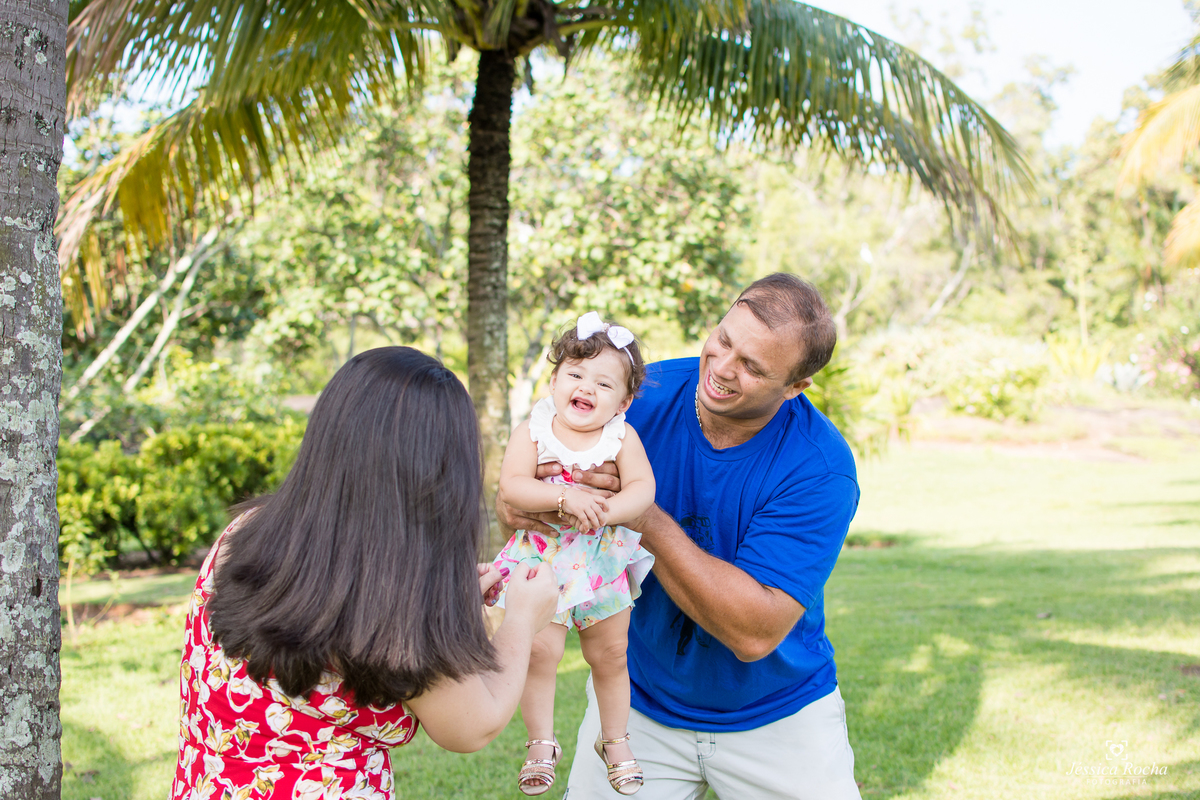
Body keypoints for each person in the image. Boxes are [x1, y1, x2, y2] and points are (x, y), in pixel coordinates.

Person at [499, 274, 863, 800]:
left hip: (777, 715)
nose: (721, 368)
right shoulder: (634, 395)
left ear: (794, 388)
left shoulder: (820, 467)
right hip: (637, 705)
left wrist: (639, 514)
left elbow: (753, 632)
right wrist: (538, 501)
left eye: (753, 367)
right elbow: (515, 494)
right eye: (724, 340)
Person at [173, 347, 560, 800]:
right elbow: (473, 726)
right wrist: (520, 619)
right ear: (436, 474)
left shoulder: (248, 530)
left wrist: (448, 610)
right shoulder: (393, 600)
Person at [492, 312, 658, 796]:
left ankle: (615, 740)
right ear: (554, 380)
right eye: (576, 373)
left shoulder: (621, 438)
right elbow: (513, 485)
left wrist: (608, 511)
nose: (586, 387)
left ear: (623, 401)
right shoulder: (534, 430)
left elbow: (643, 489)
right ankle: (541, 742)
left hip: (600, 561)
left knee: (610, 653)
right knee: (540, 651)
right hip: (543, 560)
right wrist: (564, 498)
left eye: (604, 383)